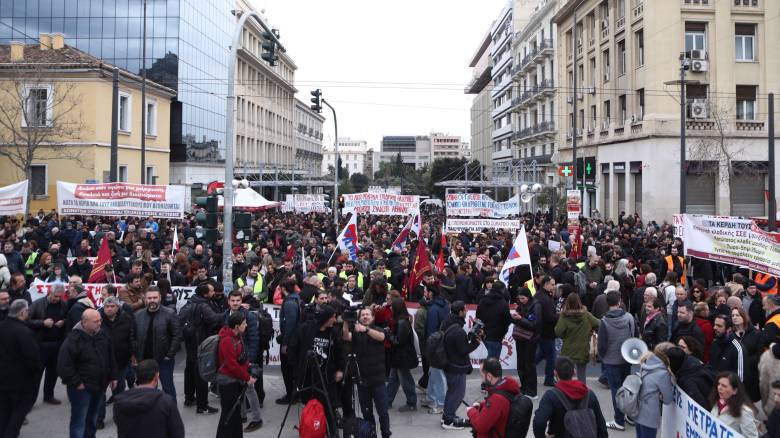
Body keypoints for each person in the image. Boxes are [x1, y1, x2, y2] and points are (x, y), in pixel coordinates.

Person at [57, 308, 117, 438]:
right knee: (79, 421)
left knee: (92, 419)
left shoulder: (102, 335)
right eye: (95, 321)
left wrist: (113, 376)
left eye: (100, 320)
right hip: (81, 390)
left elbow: (110, 356)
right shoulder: (72, 340)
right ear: (84, 322)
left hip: (99, 386)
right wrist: (77, 383)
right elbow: (63, 367)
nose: (99, 323)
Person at [288, 304, 344, 431]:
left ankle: (333, 432)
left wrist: (340, 369)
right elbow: (293, 348)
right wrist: (297, 367)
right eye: (333, 317)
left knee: (329, 407)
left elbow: (339, 352)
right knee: (310, 407)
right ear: (326, 318)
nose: (335, 320)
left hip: (326, 376)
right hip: (308, 376)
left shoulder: (333, 332)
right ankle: (312, 430)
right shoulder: (305, 329)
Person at [532, 356, 608, 438]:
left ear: (555, 373)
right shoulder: (589, 394)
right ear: (574, 372)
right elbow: (601, 426)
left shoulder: (551, 396)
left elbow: (539, 423)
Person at [344, 307, 390, 438]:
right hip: (362, 380)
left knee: (383, 412)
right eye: (362, 315)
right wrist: (346, 323)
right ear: (359, 318)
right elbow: (346, 336)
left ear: (373, 317)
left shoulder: (378, 329)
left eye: (367, 314)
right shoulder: (356, 332)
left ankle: (386, 434)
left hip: (378, 380)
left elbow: (381, 337)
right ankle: (371, 434)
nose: (365, 316)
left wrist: (367, 329)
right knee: (366, 412)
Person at [0, 299, 41, 438]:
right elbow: (33, 359)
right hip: (20, 383)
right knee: (17, 416)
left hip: (3, 381)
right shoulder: (24, 332)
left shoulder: (2, 326)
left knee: (4, 413)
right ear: (22, 312)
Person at [113, 359, 184, 438]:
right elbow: (178, 434)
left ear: (137, 377)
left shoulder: (119, 402)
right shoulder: (166, 402)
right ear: (156, 377)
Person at [224, 290, 263, 432]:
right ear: (228, 301)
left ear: (241, 301)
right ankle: (242, 415)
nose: (235, 303)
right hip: (233, 358)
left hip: (245, 359)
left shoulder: (249, 317)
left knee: (249, 390)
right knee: (238, 388)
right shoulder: (225, 315)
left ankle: (257, 419)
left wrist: (250, 361)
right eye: (232, 300)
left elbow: (254, 339)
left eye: (237, 301)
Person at [134, 287, 182, 402]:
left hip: (164, 360)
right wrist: (135, 354)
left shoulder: (170, 314)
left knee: (168, 388)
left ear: (160, 298)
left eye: (155, 297)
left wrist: (169, 355)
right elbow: (133, 336)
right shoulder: (138, 315)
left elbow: (177, 335)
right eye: (149, 298)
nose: (152, 300)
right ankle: (151, 413)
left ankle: (171, 414)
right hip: (144, 360)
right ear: (145, 299)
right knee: (147, 390)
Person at [597, 290, 636, 431]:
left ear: (608, 304)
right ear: (619, 302)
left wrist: (602, 357)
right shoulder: (629, 318)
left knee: (616, 391)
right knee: (628, 389)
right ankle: (630, 416)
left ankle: (619, 420)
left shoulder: (604, 321)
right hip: (626, 359)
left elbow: (601, 345)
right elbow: (634, 336)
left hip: (611, 361)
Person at [181, 282, 223, 412]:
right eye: (211, 291)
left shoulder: (190, 302)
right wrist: (228, 313)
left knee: (189, 369)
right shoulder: (203, 305)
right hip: (200, 341)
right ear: (205, 294)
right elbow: (214, 318)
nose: (213, 293)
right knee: (202, 373)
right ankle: (202, 405)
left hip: (190, 341)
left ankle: (189, 398)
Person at [441, 301, 482, 430]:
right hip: (456, 366)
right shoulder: (457, 330)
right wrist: (476, 342)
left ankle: (447, 416)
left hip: (451, 364)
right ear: (459, 312)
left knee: (452, 392)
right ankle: (449, 420)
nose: (467, 312)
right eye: (465, 310)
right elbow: (463, 349)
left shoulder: (450, 323)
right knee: (457, 393)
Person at [216, 312, 257, 438]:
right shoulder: (227, 340)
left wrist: (248, 366)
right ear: (236, 326)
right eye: (244, 323)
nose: (246, 325)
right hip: (227, 382)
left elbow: (239, 358)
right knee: (228, 415)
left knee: (235, 415)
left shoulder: (237, 336)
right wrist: (247, 377)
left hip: (235, 381)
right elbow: (232, 365)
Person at [466, 357, 530, 438]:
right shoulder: (507, 387)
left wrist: (471, 411)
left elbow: (480, 426)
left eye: (482, 376)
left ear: (489, 376)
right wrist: (482, 405)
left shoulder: (496, 399)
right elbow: (502, 407)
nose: (482, 380)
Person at [27, 282, 68, 405]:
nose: (57, 299)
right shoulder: (38, 304)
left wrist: (64, 321)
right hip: (41, 344)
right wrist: (42, 323)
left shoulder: (63, 304)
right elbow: (27, 320)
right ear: (49, 292)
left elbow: (68, 318)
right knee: (36, 374)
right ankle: (30, 400)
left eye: (60, 296)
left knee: (53, 372)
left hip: (57, 343)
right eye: (55, 296)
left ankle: (49, 395)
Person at [555, 293, 600, 382]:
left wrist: (565, 336)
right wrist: (590, 330)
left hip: (568, 349)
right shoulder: (586, 315)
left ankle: (567, 392)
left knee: (566, 374)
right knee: (582, 374)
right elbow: (598, 323)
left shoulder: (564, 316)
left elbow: (558, 332)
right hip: (583, 348)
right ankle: (581, 392)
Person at [386, 297, 418, 412]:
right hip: (399, 357)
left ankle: (411, 402)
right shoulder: (402, 321)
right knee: (393, 379)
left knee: (405, 380)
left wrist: (388, 335)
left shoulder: (402, 323)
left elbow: (399, 341)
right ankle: (387, 400)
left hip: (402, 357)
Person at [634, 352, 674, 438]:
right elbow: (668, 400)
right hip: (649, 414)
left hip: (637, 410)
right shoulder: (663, 373)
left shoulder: (645, 365)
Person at [709, 372, 759, 438]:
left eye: (724, 386)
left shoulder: (744, 412)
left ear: (734, 391)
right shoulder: (716, 404)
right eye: (718, 384)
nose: (719, 388)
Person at [511, 287, 541, 398]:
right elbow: (519, 319)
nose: (521, 300)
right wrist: (514, 317)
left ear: (528, 296)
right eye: (519, 298)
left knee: (529, 365)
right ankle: (524, 387)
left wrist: (520, 318)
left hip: (531, 339)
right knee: (521, 364)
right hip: (520, 338)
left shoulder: (536, 306)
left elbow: (535, 325)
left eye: (523, 298)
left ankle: (532, 391)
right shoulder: (521, 305)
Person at [425, 286, 450, 414]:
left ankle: (441, 404)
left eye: (426, 291)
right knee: (432, 374)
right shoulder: (445, 305)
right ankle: (430, 399)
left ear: (430, 293)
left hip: (436, 346)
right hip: (442, 343)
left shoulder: (433, 309)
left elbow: (431, 331)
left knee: (438, 376)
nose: (424, 293)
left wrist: (430, 349)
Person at [277, 278, 302, 405]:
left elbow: (290, 324)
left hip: (291, 341)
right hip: (294, 340)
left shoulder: (289, 303)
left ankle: (291, 395)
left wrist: (285, 343)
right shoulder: (296, 299)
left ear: (283, 289)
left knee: (287, 369)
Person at [476, 282, 512, 359]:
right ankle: (487, 370)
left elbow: (478, 316)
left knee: (491, 356)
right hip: (496, 335)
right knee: (493, 361)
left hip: (484, 333)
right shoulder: (503, 303)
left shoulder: (483, 300)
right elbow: (507, 320)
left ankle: (487, 369)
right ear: (502, 290)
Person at [535, 275, 559, 387]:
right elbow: (550, 317)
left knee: (542, 354)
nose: (554, 287)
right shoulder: (545, 299)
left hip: (541, 331)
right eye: (552, 284)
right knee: (551, 357)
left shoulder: (540, 295)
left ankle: (528, 367)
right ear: (546, 284)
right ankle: (549, 379)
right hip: (547, 332)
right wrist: (560, 316)